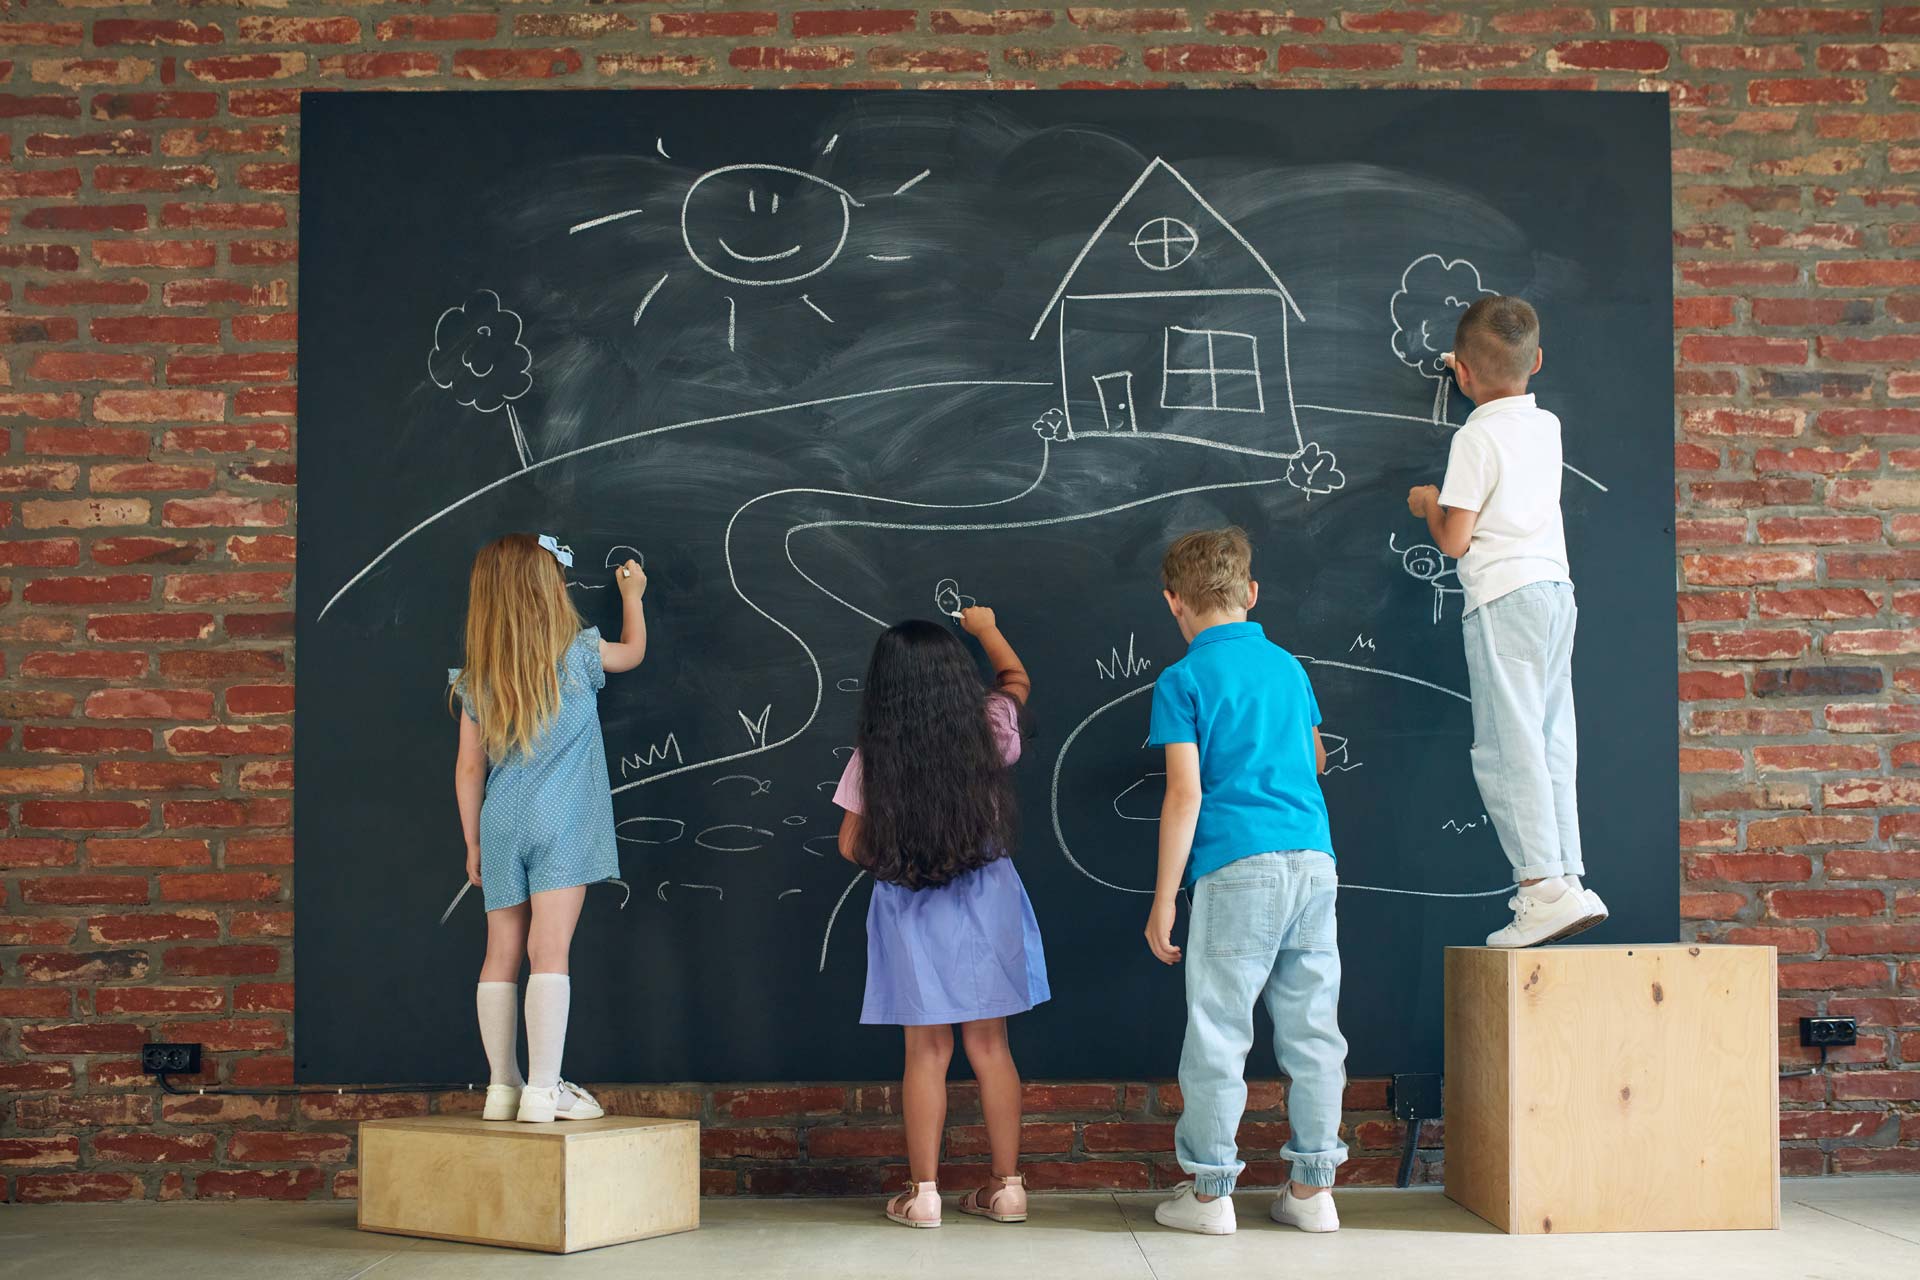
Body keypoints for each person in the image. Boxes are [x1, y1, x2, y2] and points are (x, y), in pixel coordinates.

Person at [1144, 527, 1348, 1236]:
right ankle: (1312, 1190)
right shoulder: (1290, 668)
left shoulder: (1183, 680)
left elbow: (1185, 794)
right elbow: (1316, 760)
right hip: (1314, 863)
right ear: (1251, 593)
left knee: (1220, 1034)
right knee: (1314, 1031)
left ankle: (1207, 1197)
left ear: (1175, 603)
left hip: (1237, 869)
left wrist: (1165, 897)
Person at [833, 607, 1048, 1229]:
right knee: (990, 1045)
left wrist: (906, 855)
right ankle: (1008, 1188)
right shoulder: (993, 725)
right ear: (957, 676)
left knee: (926, 1050)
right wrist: (985, 628)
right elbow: (1016, 680)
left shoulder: (876, 755)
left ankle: (924, 1194)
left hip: (911, 904)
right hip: (988, 899)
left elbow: (850, 844)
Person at [1406, 296, 1607, 948]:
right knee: (1551, 737)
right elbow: (1499, 385)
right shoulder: (1543, 426)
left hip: (1502, 597)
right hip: (1554, 591)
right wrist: (1470, 365)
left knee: (1504, 746)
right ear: (1537, 363)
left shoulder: (1475, 438)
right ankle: (1567, 876)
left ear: (1460, 376)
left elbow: (1456, 541)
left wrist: (1429, 505)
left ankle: (1540, 890)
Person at [450, 533, 648, 1123]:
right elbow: (633, 652)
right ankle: (543, 1088)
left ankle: (500, 1087)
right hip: (563, 821)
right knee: (550, 949)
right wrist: (632, 595)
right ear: (545, 592)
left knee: (501, 952)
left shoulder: (478, 679)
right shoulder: (580, 654)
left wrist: (472, 842)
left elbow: (467, 768)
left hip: (502, 820)